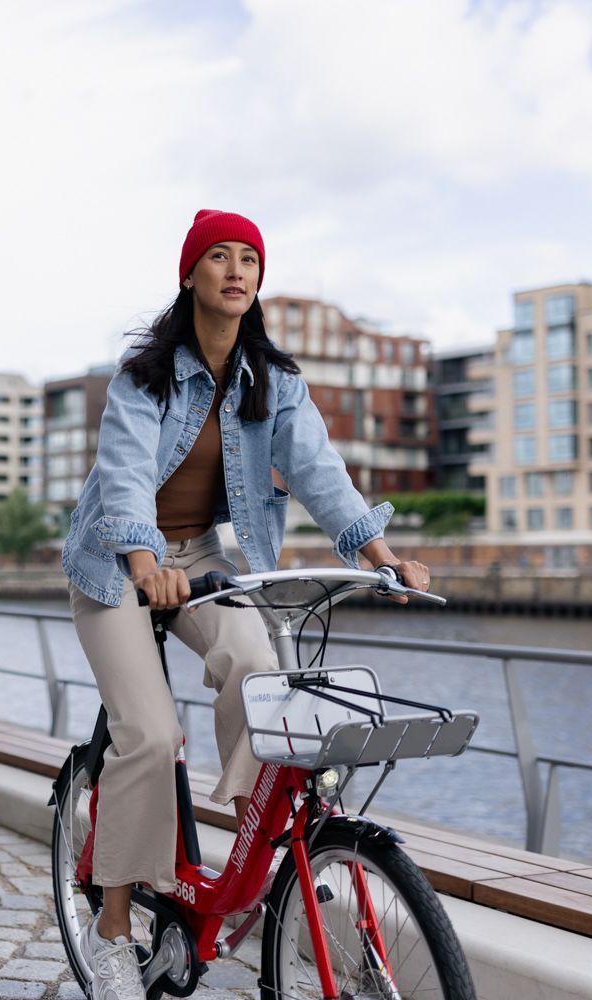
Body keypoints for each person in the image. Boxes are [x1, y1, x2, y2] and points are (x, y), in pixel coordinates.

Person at [61, 209, 431, 1000]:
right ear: (190, 274)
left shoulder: (275, 382)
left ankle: (240, 864)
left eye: (249, 260)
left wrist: (382, 556)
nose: (236, 271)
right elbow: (125, 474)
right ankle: (114, 929)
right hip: (114, 562)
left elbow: (320, 473)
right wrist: (141, 560)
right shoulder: (144, 376)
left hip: (200, 558)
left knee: (258, 669)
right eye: (219, 258)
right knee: (151, 736)